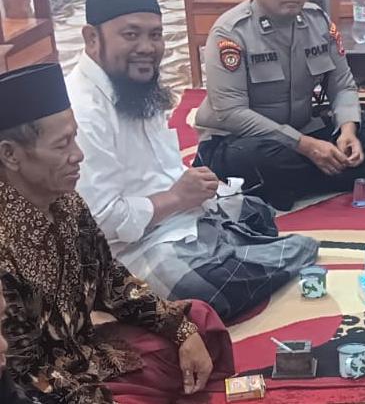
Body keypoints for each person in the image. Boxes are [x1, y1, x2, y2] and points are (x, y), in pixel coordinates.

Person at [66, 0, 319, 321]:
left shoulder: (133, 81)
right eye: (131, 35)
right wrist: (175, 198)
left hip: (177, 219)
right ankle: (228, 254)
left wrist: (195, 189)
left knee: (257, 212)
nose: (147, 48)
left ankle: (228, 249)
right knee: (204, 289)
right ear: (92, 38)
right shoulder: (83, 113)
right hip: (125, 252)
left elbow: (162, 168)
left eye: (155, 35)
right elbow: (99, 222)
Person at [0, 63, 234, 404]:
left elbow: (110, 280)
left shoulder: (66, 202)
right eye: (63, 145)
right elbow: (21, 375)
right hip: (44, 388)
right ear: (10, 154)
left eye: (75, 138)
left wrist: (178, 328)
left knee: (198, 321)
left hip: (88, 354)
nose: (78, 155)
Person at [194, 0, 365, 211]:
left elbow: (342, 85)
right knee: (262, 159)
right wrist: (305, 146)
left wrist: (347, 130)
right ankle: (341, 177)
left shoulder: (317, 21)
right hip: (240, 141)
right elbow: (231, 113)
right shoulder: (231, 32)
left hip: (303, 131)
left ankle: (292, 183)